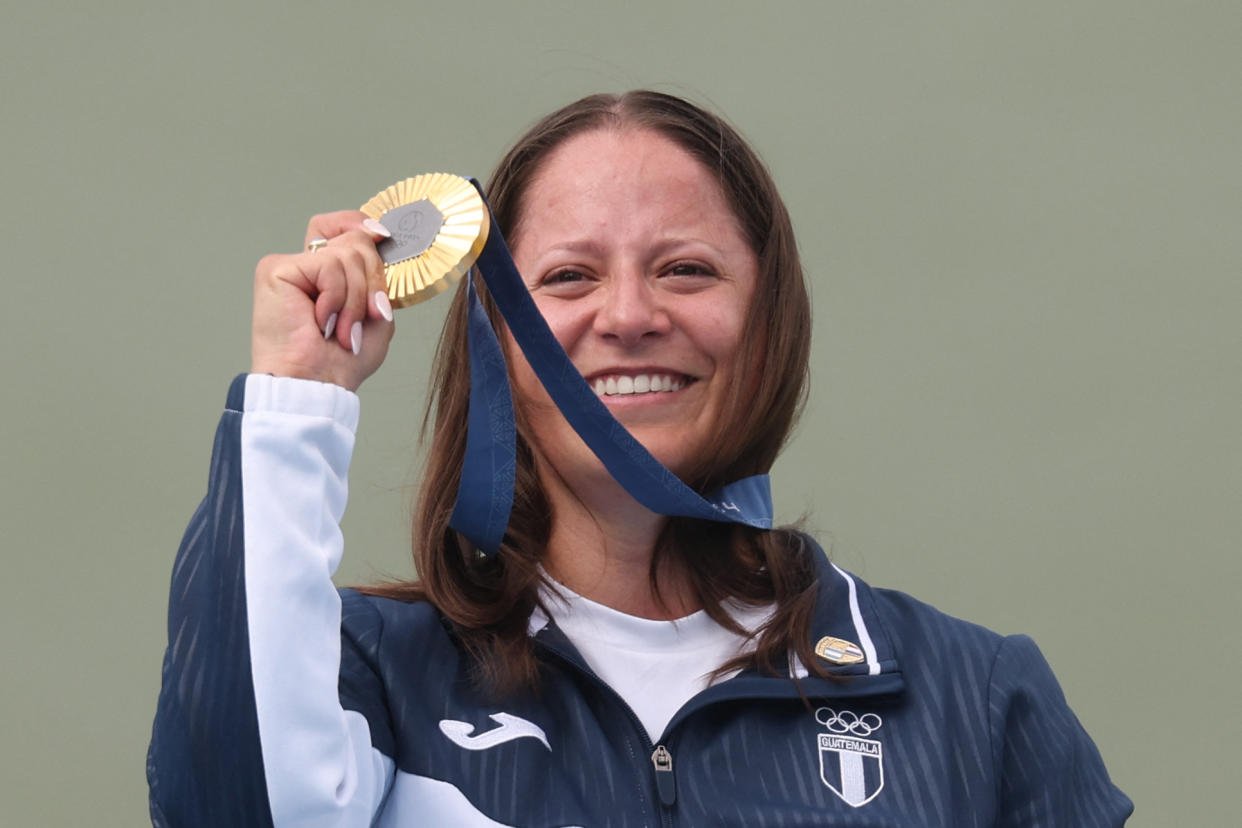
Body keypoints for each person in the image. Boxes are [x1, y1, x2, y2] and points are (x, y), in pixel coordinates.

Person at [147, 91, 1132, 826]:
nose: (628, 318)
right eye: (569, 277)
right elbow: (235, 801)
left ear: (768, 320)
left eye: (687, 270)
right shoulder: (367, 678)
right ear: (498, 343)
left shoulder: (970, 697)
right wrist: (299, 390)